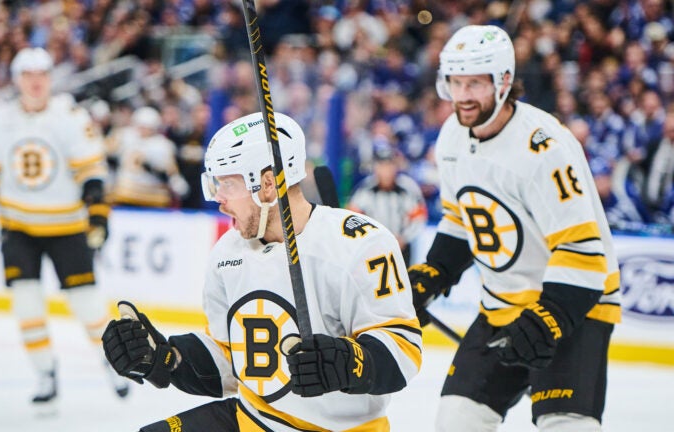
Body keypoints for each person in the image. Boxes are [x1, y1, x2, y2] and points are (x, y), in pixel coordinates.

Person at [102, 112, 423, 431]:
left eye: (227, 183)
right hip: (252, 419)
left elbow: (404, 352)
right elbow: (233, 360)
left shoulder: (361, 243)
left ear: (268, 184)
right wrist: (166, 358)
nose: (219, 199)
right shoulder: (228, 253)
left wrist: (347, 363)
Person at [408, 25, 621, 431]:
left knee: (565, 424)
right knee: (456, 421)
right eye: (455, 81)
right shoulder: (451, 137)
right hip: (501, 306)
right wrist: (434, 273)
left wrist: (550, 317)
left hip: (574, 308)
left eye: (475, 83)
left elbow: (582, 249)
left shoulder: (544, 147)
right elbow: (462, 218)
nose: (463, 95)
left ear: (503, 82)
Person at [0, 47, 129, 408]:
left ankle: (114, 364)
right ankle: (44, 373)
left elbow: (91, 172)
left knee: (88, 306)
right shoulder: (1, 118)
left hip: (67, 225)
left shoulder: (70, 116)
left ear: (50, 78)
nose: (36, 81)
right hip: (18, 225)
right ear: (17, 80)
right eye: (28, 75)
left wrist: (97, 211)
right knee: (26, 306)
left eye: (41, 74)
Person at [347, 142, 428, 265]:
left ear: (395, 166)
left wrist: (404, 238)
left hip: (402, 248)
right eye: (382, 165)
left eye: (389, 165)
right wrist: (370, 240)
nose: (386, 170)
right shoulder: (365, 189)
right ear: (375, 167)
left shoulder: (408, 188)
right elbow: (352, 218)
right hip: (372, 250)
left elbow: (419, 217)